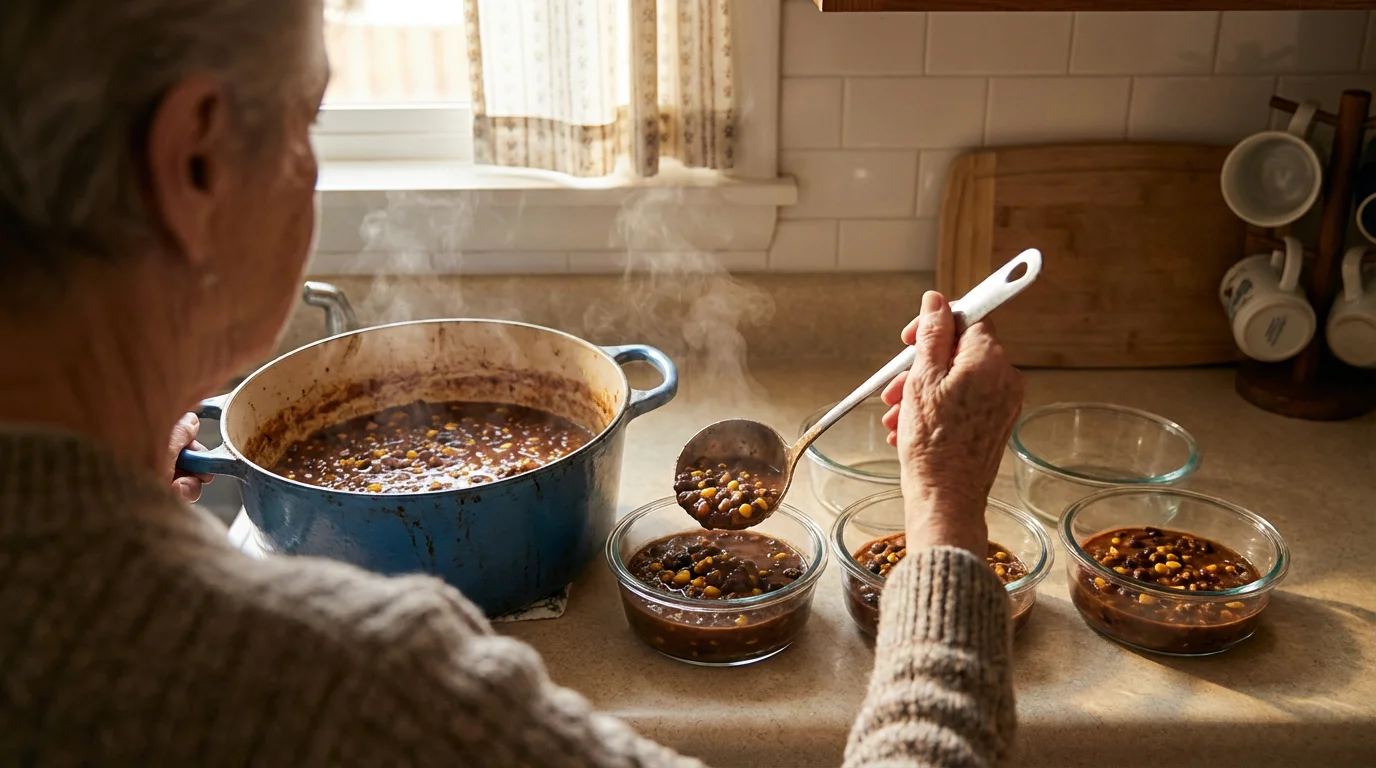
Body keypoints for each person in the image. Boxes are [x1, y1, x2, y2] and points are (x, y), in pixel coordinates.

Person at [0, 1, 1025, 765]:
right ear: (196, 163)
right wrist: (939, 511)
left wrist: (116, 475)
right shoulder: (349, 688)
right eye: (305, 124)